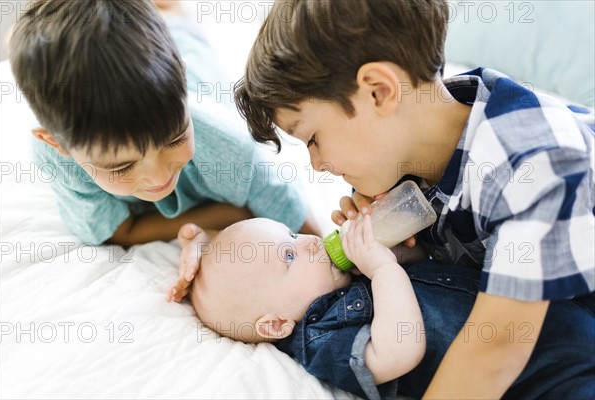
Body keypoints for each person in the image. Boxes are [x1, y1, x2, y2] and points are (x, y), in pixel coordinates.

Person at [233, 0, 595, 398]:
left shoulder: (534, 163)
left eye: (314, 140)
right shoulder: (406, 152)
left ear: (379, 92)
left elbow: (495, 349)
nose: (317, 164)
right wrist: (408, 252)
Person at [7, 0, 320, 298]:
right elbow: (117, 231)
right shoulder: (56, 156)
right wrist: (231, 213)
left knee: (174, 20)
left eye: (174, 139)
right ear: (57, 144)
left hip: (191, 60)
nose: (158, 175)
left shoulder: (230, 146)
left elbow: (305, 229)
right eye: (120, 167)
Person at [190, 217, 479, 399]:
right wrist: (381, 269)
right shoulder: (319, 339)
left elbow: (424, 267)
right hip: (500, 370)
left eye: (292, 234)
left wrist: (395, 249)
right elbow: (398, 352)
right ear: (276, 324)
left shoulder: (338, 282)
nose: (310, 243)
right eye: (289, 255)